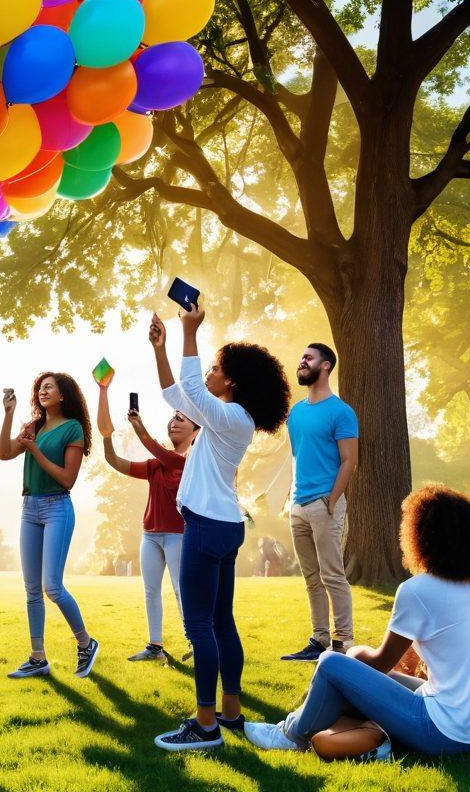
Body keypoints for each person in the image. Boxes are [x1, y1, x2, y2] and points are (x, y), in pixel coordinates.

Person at [246, 484, 470, 755]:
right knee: (356, 671)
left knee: (331, 662)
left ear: (420, 537)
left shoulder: (418, 590)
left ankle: (290, 735)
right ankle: (339, 729)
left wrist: (355, 652)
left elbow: (380, 663)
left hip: (449, 733)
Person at [149, 305, 290, 751]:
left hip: (208, 529)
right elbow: (176, 393)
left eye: (215, 368)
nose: (208, 373)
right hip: (223, 526)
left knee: (199, 627)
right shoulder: (225, 417)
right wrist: (161, 348)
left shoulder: (231, 418)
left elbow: (190, 387)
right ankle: (230, 713)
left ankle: (205, 724)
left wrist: (190, 331)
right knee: (221, 622)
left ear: (230, 382)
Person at [0, 372, 99, 679]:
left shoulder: (73, 428)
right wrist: (9, 414)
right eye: (40, 388)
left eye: (49, 387)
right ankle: (38, 657)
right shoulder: (35, 426)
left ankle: (85, 643)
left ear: (63, 395)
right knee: (31, 589)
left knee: (51, 586)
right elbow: (3, 453)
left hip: (57, 507)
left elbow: (67, 478)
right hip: (30, 508)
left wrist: (34, 449)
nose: (43, 391)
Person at [96, 375, 198, 663]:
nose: (174, 422)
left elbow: (160, 451)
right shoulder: (156, 466)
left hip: (178, 535)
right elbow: (117, 463)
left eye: (181, 419)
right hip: (150, 535)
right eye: (173, 418)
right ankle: (155, 646)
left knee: (181, 590)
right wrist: (106, 436)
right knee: (151, 591)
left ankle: (195, 642)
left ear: (195, 430)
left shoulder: (190, 461)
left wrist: (140, 428)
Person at [281, 343, 359, 661]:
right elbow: (298, 456)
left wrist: (332, 499)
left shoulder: (341, 412)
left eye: (309, 358)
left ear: (325, 366)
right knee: (311, 577)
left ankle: (343, 643)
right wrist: (290, 494)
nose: (302, 361)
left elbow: (349, 461)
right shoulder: (296, 413)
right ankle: (319, 640)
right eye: (302, 356)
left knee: (332, 574)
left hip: (324, 503)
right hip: (298, 506)